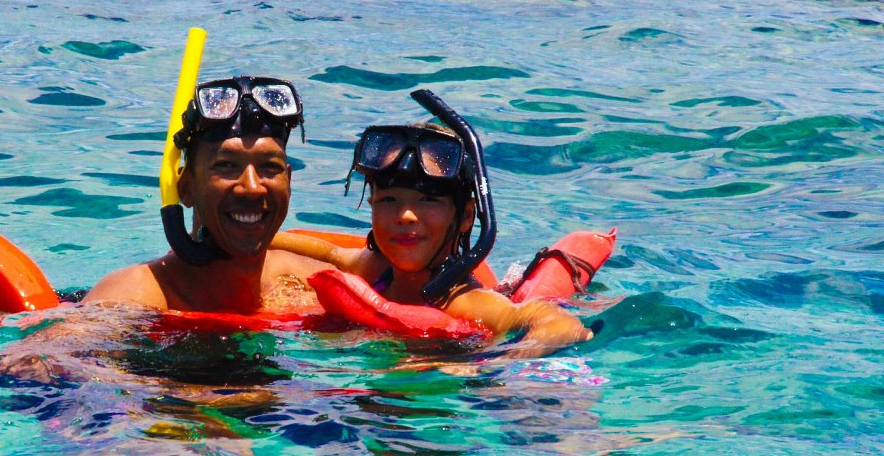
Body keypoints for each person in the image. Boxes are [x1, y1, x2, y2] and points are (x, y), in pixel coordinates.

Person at [271, 120, 593, 356]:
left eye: (427, 200)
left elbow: (554, 323)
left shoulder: (466, 302)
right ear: (371, 206)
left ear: (466, 216)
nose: (405, 215)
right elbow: (329, 253)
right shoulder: (376, 270)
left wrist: (508, 361)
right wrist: (260, 239)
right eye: (389, 200)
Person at [83, 75, 330, 314]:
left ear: (288, 181)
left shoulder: (306, 284)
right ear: (186, 188)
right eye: (227, 166)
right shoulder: (134, 298)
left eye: (270, 167)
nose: (252, 187)